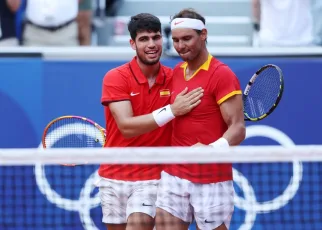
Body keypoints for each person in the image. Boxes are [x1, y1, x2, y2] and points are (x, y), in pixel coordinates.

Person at [97, 13, 204, 230]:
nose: (152, 44)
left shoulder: (175, 77)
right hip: (112, 176)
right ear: (132, 43)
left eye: (156, 37)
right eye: (144, 39)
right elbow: (126, 127)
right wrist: (172, 110)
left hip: (152, 178)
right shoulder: (115, 77)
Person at [155, 8, 246, 230]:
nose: (180, 46)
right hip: (174, 174)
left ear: (203, 34)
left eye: (187, 38)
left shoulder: (222, 74)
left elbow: (238, 128)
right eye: (175, 40)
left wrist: (211, 149)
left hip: (211, 179)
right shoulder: (177, 71)